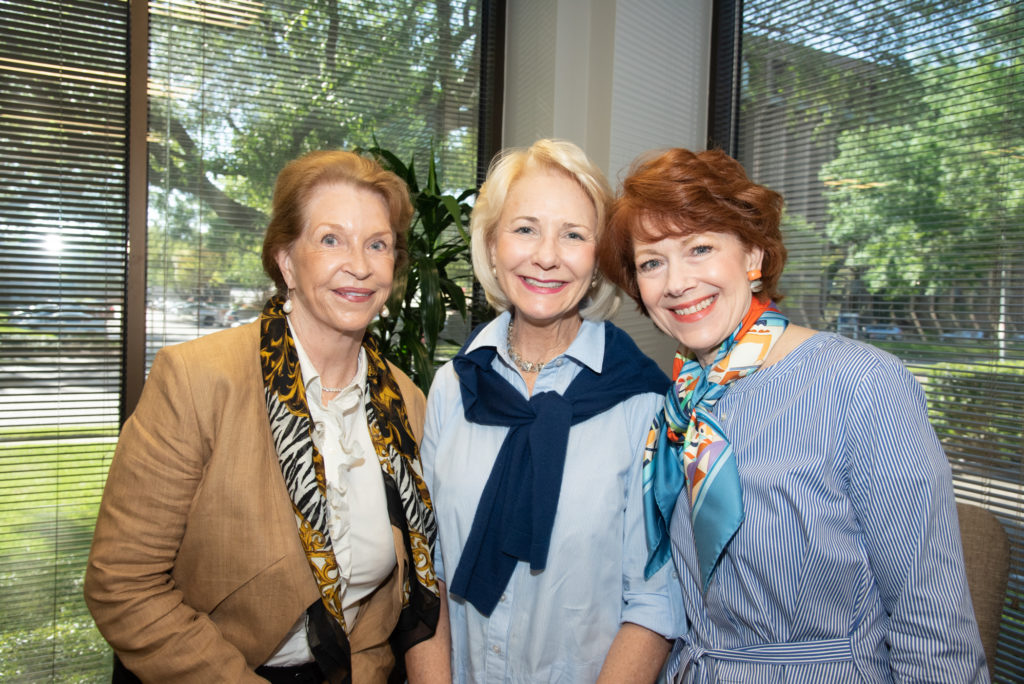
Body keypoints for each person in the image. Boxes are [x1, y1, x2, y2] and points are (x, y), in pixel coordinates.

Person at [597, 147, 989, 682]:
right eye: (651, 262)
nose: (676, 282)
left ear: (753, 255)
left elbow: (933, 626)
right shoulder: (679, 402)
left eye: (700, 248)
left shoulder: (860, 384)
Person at [85, 150, 447, 683]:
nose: (361, 265)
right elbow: (122, 584)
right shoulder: (198, 379)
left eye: (378, 244)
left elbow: (412, 592)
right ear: (285, 260)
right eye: (331, 240)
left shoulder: (408, 404)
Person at [417, 139, 684, 683]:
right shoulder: (452, 387)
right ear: (492, 247)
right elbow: (430, 574)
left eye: (573, 235)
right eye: (525, 229)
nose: (547, 255)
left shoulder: (645, 404)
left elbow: (656, 601)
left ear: (599, 258)